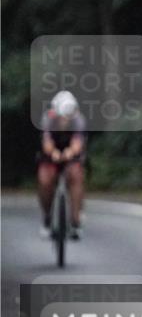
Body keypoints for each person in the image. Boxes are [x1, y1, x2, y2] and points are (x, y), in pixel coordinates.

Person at [37, 91, 87, 240]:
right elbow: (47, 143)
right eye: (62, 117)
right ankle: (47, 215)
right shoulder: (48, 119)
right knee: (45, 180)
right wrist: (53, 153)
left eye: (68, 117)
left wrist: (69, 152)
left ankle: (75, 220)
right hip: (52, 154)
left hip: (71, 153)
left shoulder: (78, 119)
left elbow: (78, 142)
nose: (65, 120)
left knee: (76, 175)